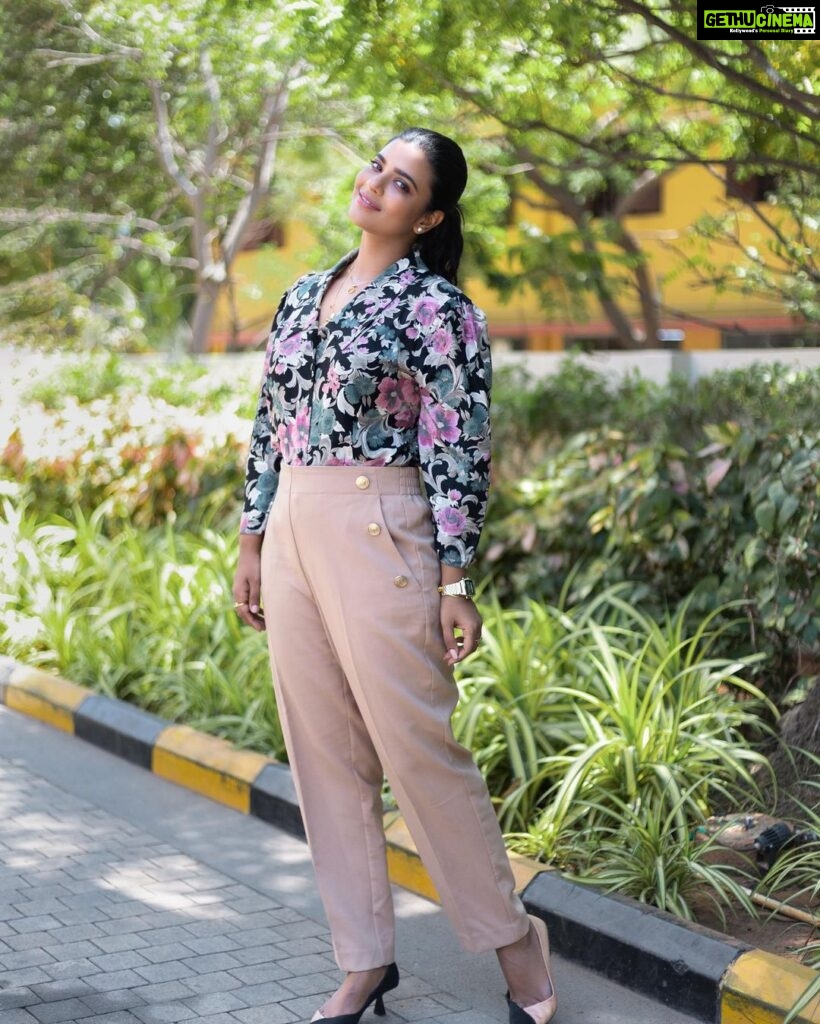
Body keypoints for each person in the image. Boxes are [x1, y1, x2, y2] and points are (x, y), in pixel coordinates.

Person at [233, 127, 557, 1024]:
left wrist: (455, 580)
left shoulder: (437, 311)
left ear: (429, 216)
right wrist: (253, 536)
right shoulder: (303, 294)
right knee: (323, 755)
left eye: (402, 182)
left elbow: (458, 446)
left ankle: (515, 945)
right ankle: (364, 959)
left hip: (384, 524)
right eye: (378, 165)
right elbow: (269, 424)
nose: (378, 184)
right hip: (295, 521)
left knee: (421, 752)